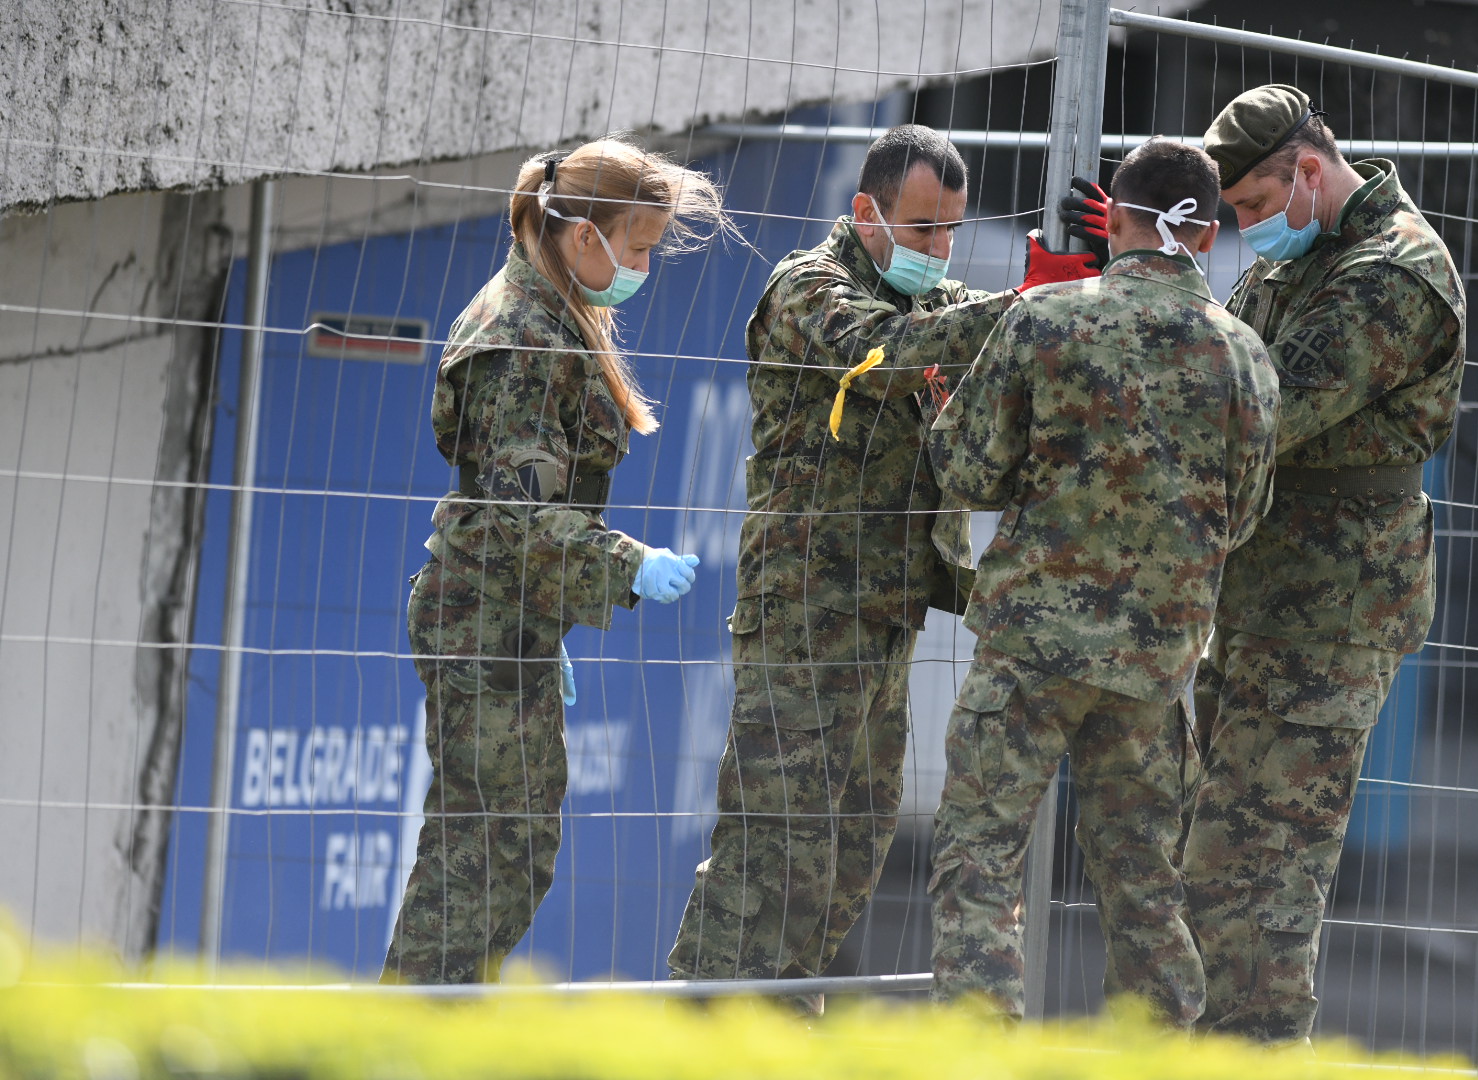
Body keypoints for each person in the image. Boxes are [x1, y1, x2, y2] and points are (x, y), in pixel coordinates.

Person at [668, 124, 1103, 1011]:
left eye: (950, 229)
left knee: (851, 847)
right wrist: (1028, 300)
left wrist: (1096, 273)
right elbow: (887, 354)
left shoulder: (934, 299)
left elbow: (1004, 345)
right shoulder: (808, 288)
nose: (939, 248)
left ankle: (781, 1024)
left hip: (886, 614)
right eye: (921, 228)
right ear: (866, 212)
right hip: (805, 612)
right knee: (773, 840)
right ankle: (700, 1026)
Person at [925, 139, 1279, 1026]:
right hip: (1154, 666)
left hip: (1030, 649)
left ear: (1112, 219)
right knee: (1145, 885)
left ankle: (979, 1052)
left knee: (980, 859)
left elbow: (968, 470)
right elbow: (1242, 517)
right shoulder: (1244, 354)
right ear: (1209, 235)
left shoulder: (1045, 319)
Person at [382, 138, 732, 984]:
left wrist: (544, 616)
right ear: (584, 236)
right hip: (482, 617)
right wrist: (627, 563)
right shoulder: (522, 336)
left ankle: (429, 1024)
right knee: (481, 861)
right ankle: (403, 1033)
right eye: (638, 247)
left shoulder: (555, 311)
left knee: (511, 854)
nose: (643, 267)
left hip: (505, 613)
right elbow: (518, 515)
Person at [1180, 84, 1466, 1043]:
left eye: (1256, 206)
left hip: (1329, 615)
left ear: (1308, 170)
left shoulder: (1393, 272)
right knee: (1215, 870)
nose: (1247, 231)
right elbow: (1222, 360)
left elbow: (1262, 408)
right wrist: (1147, 269)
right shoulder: (1300, 258)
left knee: (1254, 886)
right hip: (1261, 599)